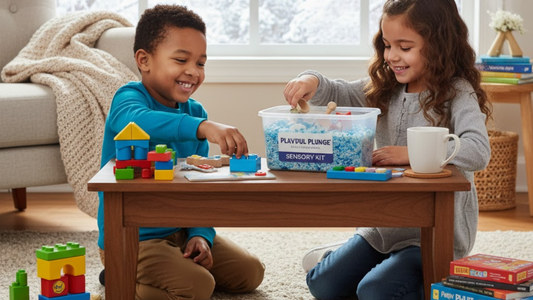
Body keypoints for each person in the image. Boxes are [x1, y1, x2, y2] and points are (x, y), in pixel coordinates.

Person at [283, 0, 492, 299]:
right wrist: (310, 79)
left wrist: (412, 153)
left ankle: (431, 277)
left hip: (432, 234)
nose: (392, 56)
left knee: (375, 292)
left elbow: (477, 151)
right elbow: (339, 91)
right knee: (322, 285)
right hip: (383, 227)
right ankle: (352, 257)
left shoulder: (457, 93)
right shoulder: (385, 86)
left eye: (404, 47)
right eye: (386, 45)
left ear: (438, 45)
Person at [96, 5, 264, 299]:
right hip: (133, 237)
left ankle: (161, 269)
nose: (193, 71)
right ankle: (118, 275)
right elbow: (137, 120)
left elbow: (200, 187)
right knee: (199, 286)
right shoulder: (129, 99)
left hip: (181, 230)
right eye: (181, 60)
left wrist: (201, 234)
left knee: (249, 273)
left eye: (200, 63)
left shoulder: (195, 112)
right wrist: (203, 127)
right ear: (144, 60)